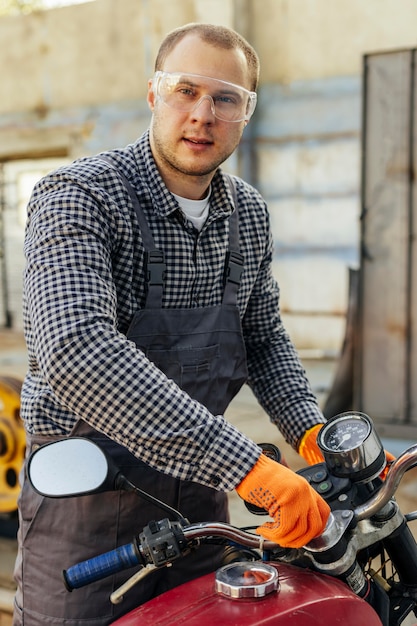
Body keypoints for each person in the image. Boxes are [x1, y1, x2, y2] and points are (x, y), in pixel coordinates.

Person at [14, 22, 331, 625]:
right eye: (186, 90)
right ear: (154, 94)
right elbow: (76, 349)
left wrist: (310, 430)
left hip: (203, 512)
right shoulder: (80, 196)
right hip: (86, 515)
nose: (202, 115)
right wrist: (245, 467)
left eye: (226, 98)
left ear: (246, 113)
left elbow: (261, 338)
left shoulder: (248, 215)